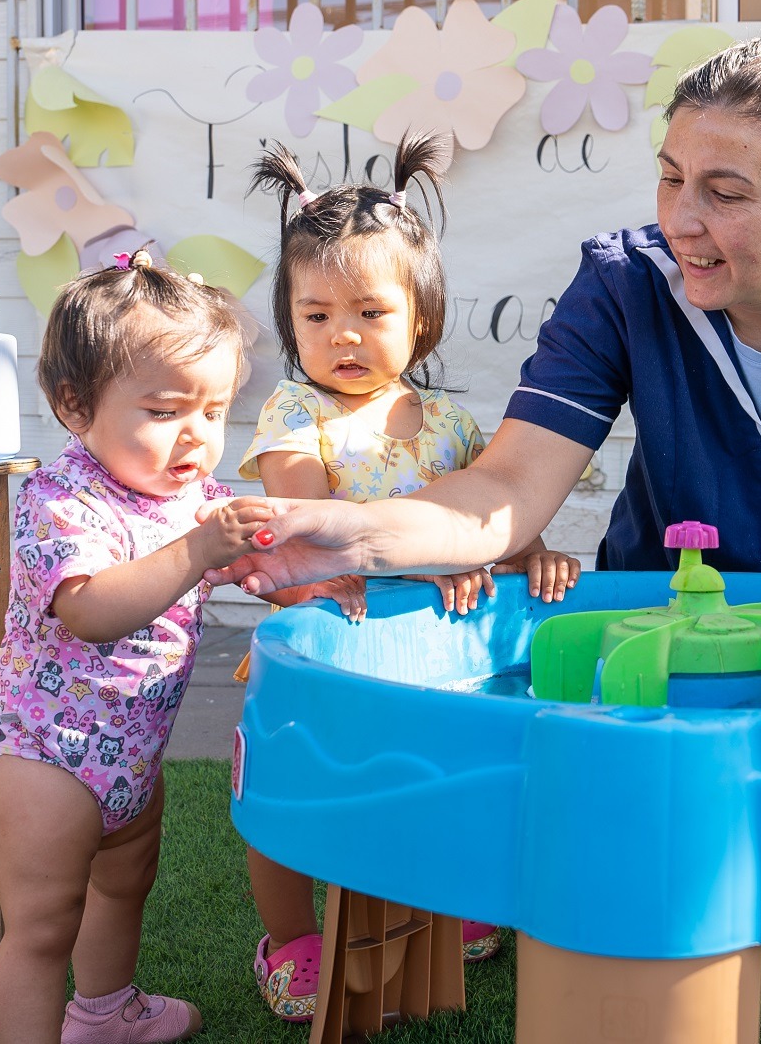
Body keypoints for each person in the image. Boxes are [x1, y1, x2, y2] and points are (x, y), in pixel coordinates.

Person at [211, 35, 761, 986]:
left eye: (725, 191)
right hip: (653, 655)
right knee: (630, 895)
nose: (682, 217)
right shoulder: (621, 287)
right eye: (671, 177)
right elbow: (505, 493)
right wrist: (341, 533)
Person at [238, 134, 583, 1023]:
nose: (340, 334)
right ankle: (290, 937)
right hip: (328, 636)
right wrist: (326, 575)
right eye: (314, 315)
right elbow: (304, 521)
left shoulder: (457, 429)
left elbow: (492, 520)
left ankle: (443, 894)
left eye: (367, 311)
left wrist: (523, 553)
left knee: (434, 772)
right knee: (293, 783)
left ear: (420, 318)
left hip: (428, 648)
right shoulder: (294, 411)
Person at [0, 252, 271, 1044]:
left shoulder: (196, 500)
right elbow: (91, 609)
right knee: (42, 926)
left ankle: (103, 1013)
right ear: (75, 405)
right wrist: (199, 553)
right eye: (165, 410)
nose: (196, 435)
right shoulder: (61, 500)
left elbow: (257, 558)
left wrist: (303, 578)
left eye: (214, 409)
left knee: (124, 883)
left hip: (131, 754)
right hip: (43, 756)